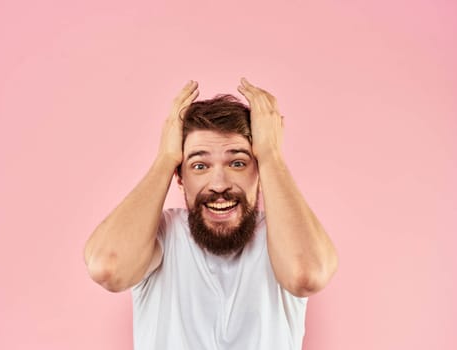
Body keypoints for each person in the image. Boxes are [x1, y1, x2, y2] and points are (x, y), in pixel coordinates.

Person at [84, 78, 338, 349]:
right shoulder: (160, 235)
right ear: (180, 177)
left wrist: (271, 154)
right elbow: (107, 268)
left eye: (238, 163)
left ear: (259, 171)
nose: (219, 184)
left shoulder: (281, 238)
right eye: (200, 165)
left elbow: (308, 274)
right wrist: (165, 159)